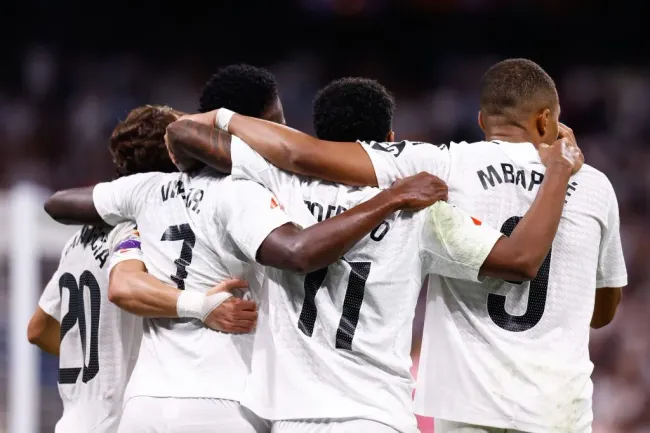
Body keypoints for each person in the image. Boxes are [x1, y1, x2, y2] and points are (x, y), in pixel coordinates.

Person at [198, 61, 625, 433]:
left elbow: (298, 153)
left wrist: (215, 118)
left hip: (462, 402)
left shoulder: (445, 163)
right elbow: (600, 311)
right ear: (546, 119)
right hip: (556, 406)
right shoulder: (594, 186)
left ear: (481, 121)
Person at [44, 76, 450, 432]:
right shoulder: (251, 192)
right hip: (227, 397)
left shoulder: (145, 192)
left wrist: (130, 228)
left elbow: (60, 204)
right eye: (277, 124)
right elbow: (296, 250)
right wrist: (391, 198)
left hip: (144, 401)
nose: (287, 133)